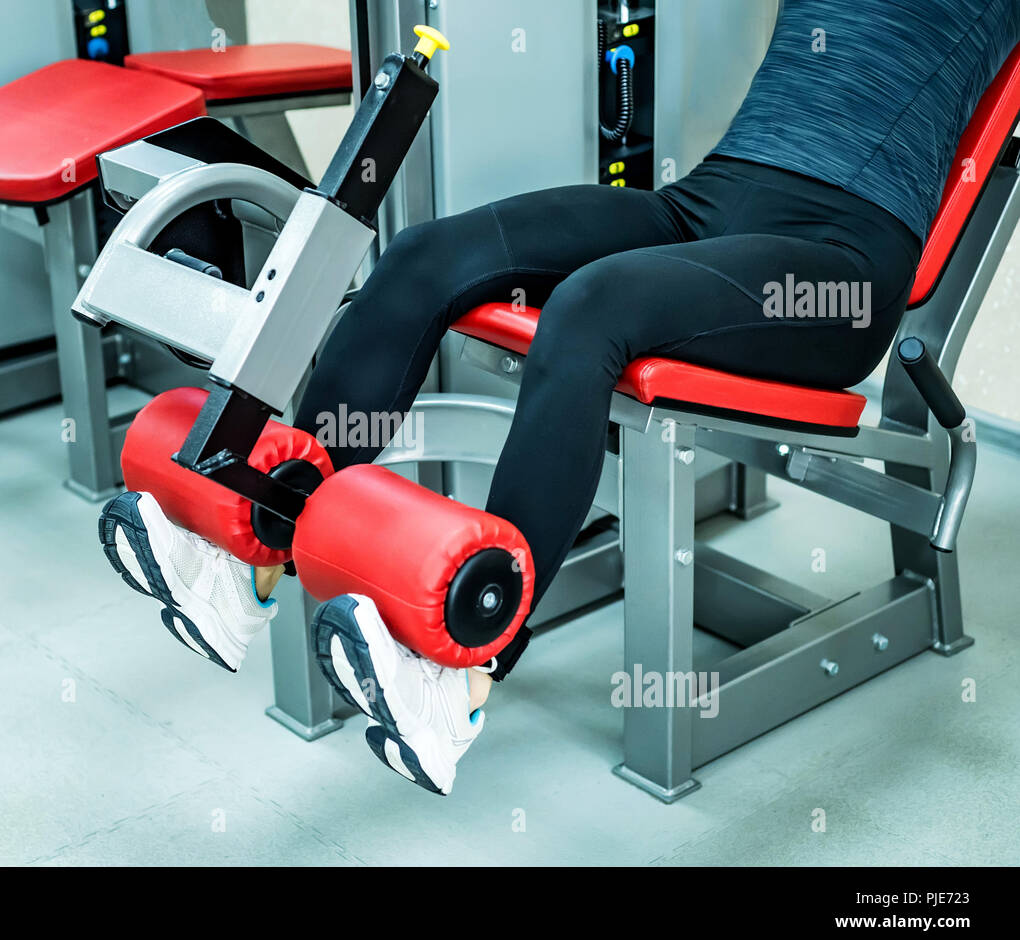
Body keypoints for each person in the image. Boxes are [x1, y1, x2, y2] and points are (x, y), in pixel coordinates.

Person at [98, 0, 1020, 795]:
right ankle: (268, 538)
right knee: (430, 253)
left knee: (593, 309)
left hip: (841, 267)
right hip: (713, 201)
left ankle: (466, 668)